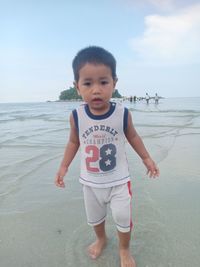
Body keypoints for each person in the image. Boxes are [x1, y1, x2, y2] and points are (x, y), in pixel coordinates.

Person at [55, 46, 159, 267]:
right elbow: (74, 142)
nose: (96, 90)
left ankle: (124, 249)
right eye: (88, 83)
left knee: (123, 218)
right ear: (77, 86)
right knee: (95, 218)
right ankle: (101, 238)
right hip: (90, 183)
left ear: (114, 82)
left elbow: (133, 136)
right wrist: (64, 166)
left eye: (103, 82)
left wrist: (146, 158)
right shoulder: (77, 116)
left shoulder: (122, 113)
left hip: (119, 181)